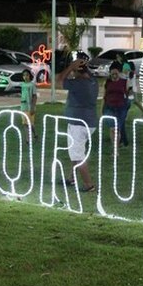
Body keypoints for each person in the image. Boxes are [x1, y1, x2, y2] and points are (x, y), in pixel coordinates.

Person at [56, 56, 97, 192]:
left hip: (78, 124)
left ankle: (88, 184)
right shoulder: (93, 81)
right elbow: (86, 72)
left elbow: (59, 81)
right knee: (76, 151)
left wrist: (70, 67)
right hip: (89, 123)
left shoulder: (78, 83)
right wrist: (79, 64)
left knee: (77, 155)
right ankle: (72, 178)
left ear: (76, 72)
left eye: (74, 72)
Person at [102, 67, 129, 147]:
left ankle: (116, 150)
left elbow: (127, 95)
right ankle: (115, 147)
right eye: (112, 74)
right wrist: (102, 110)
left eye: (116, 73)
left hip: (121, 108)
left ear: (119, 73)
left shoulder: (124, 82)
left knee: (117, 129)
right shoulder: (107, 83)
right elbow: (104, 97)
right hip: (109, 107)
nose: (114, 75)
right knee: (112, 128)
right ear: (110, 74)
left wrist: (127, 109)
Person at [20, 68, 38, 135]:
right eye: (24, 75)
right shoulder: (22, 85)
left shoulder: (32, 85)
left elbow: (35, 96)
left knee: (31, 124)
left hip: (30, 107)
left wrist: (33, 107)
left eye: (27, 75)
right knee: (25, 123)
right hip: (23, 106)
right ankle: (27, 139)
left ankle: (35, 134)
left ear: (30, 75)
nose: (25, 77)